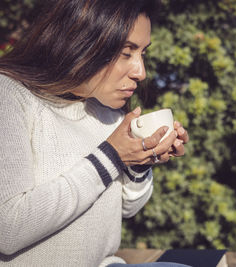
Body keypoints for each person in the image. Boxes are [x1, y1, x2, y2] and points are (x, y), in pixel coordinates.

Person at [0, 0, 190, 266]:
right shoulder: (9, 95)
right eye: (126, 53)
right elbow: (8, 229)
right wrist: (112, 157)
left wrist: (139, 163)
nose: (141, 72)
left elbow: (126, 208)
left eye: (142, 54)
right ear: (81, 42)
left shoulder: (107, 110)